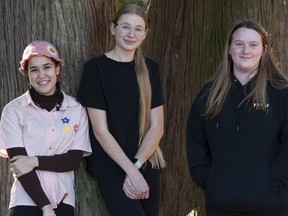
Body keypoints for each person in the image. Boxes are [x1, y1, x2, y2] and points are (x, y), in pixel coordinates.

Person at [186, 20, 288, 216]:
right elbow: (196, 143)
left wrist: (274, 180)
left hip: (271, 206)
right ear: (230, 49)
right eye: (239, 44)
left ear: (264, 50)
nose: (245, 51)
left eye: (253, 45)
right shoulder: (209, 93)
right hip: (221, 205)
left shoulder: (280, 93)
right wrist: (210, 181)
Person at [77, 4, 166, 216]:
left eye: (138, 29)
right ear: (113, 28)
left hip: (145, 161)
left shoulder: (150, 68)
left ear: (145, 34)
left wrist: (136, 167)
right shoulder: (95, 68)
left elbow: (157, 127)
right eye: (125, 27)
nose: (131, 34)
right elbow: (100, 130)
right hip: (111, 166)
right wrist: (130, 171)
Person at [0, 41, 92, 216]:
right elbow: (19, 165)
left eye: (47, 67)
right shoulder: (13, 110)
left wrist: (34, 160)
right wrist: (46, 207)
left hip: (63, 199)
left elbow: (72, 160)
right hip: (25, 199)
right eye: (34, 69)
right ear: (27, 74)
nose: (41, 75)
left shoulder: (76, 110)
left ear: (57, 69)